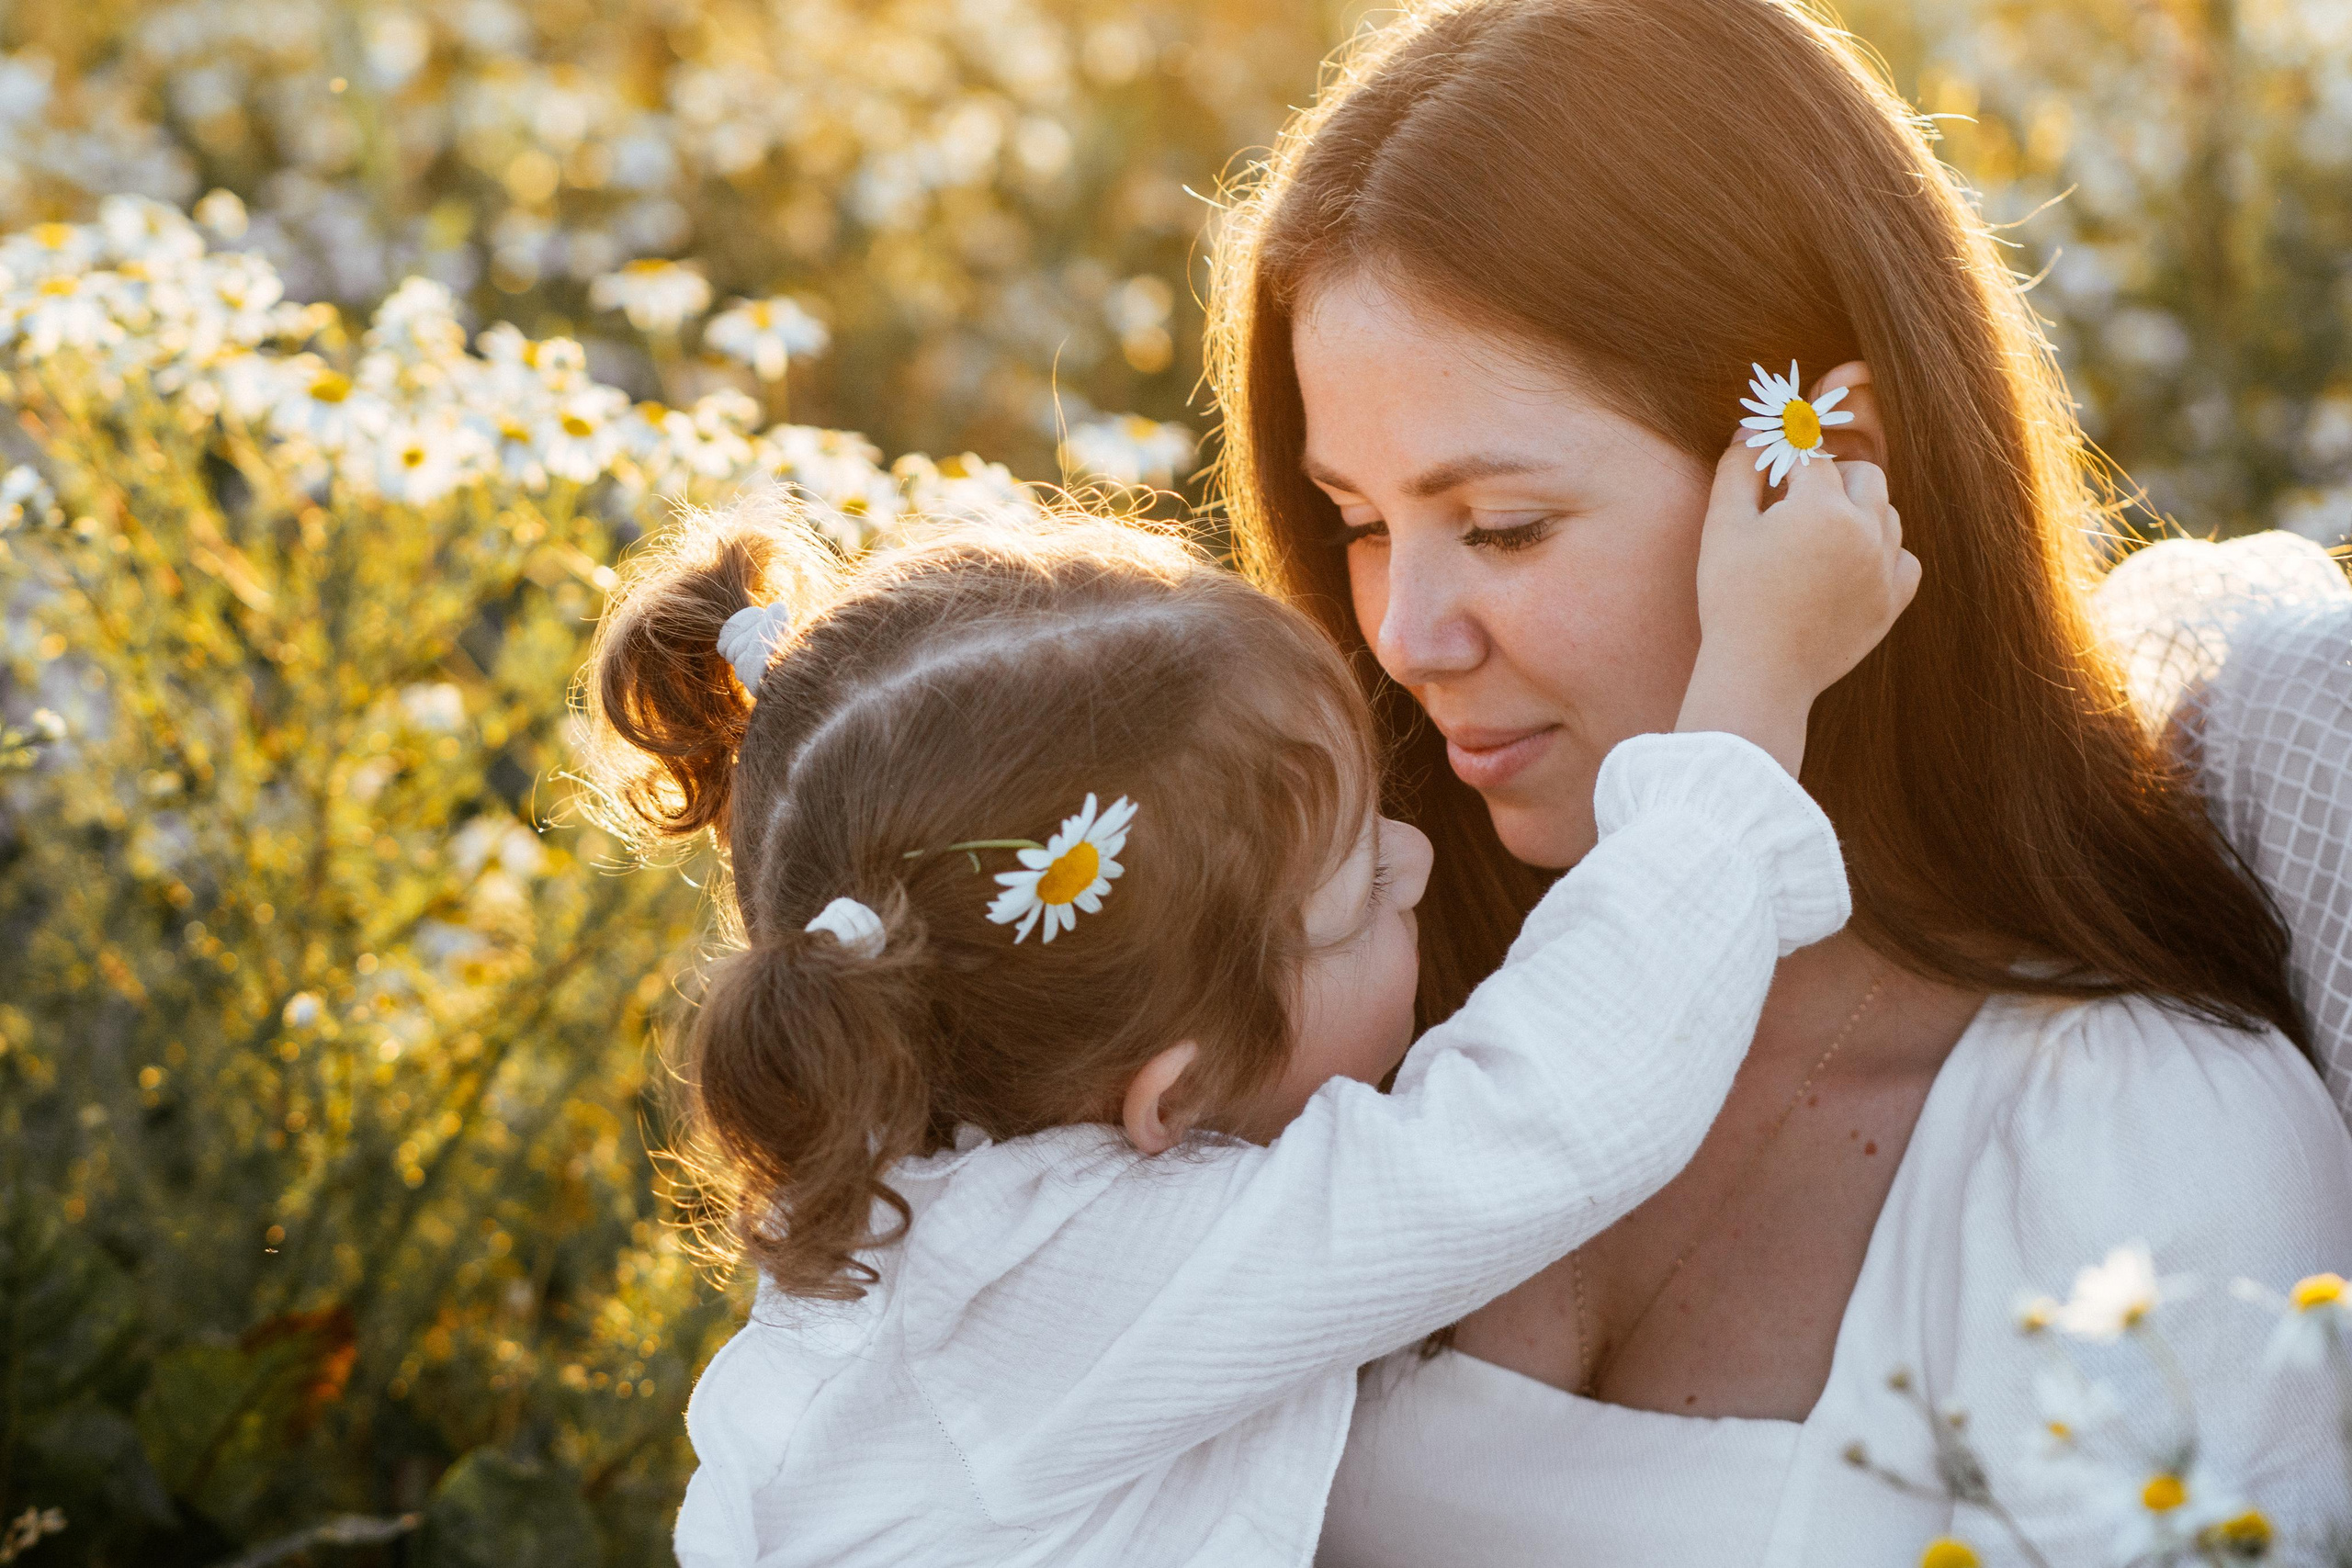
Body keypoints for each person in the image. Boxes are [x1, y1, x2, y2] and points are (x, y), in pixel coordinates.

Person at [1204, 0, 2352, 1562]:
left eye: (1504, 526)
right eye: (1357, 523)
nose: (1406, 637)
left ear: (1823, 462)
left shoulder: (2133, 1136)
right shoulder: (1346, 1027)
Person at [583, 469, 1912, 1565]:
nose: (1420, 861)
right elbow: (1536, 1119)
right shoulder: (1067, 1283)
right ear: (1172, 1097)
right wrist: (1751, 697)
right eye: (1355, 894)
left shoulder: (954, 1194)